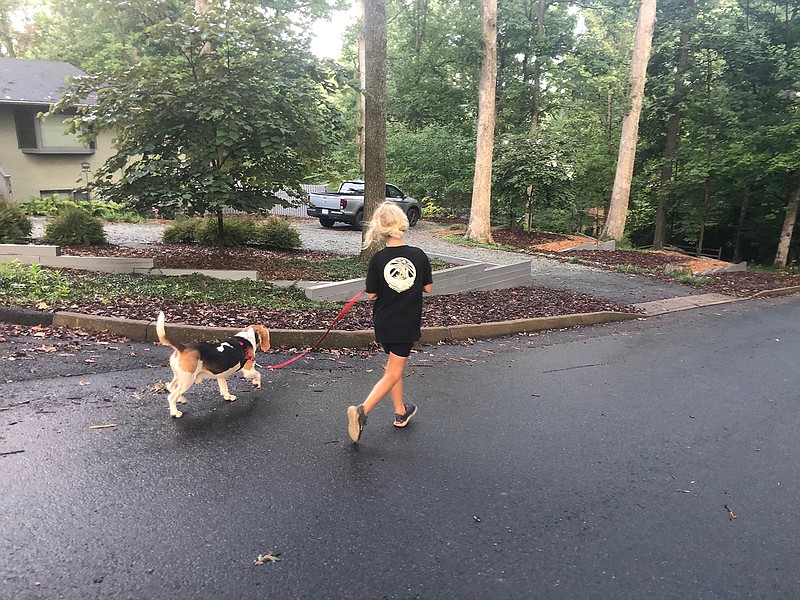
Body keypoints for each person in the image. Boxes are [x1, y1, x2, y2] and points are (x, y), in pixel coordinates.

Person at [347, 202, 433, 443]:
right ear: (402, 223)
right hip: (406, 323)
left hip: (383, 322)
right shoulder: (418, 255)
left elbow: (372, 294)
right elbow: (427, 287)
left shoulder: (378, 259)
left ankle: (400, 412)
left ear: (380, 228)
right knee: (394, 370)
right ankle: (362, 410)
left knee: (393, 369)